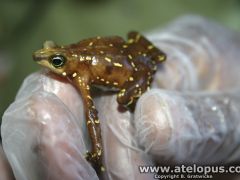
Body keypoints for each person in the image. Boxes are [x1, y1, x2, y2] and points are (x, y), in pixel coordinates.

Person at [1, 15, 240, 180]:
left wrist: (96, 153)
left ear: (68, 64)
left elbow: (91, 116)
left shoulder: (80, 76)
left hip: (136, 71)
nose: (43, 59)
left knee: (122, 101)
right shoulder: (78, 62)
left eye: (56, 62)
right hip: (131, 50)